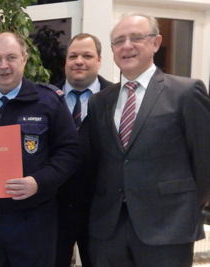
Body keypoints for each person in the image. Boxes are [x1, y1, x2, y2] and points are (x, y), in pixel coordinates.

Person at [87, 13, 210, 267]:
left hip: (167, 227)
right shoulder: (100, 101)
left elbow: (204, 160)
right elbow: (100, 161)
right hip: (109, 229)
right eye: (119, 40)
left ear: (155, 43)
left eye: (137, 38)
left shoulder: (185, 92)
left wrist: (185, 206)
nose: (127, 45)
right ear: (112, 50)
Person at [0, 32, 80, 267]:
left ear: (24, 58)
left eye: (11, 57)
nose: (3, 66)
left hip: (33, 222)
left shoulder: (48, 101)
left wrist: (38, 181)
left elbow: (69, 151)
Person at [53, 33, 112, 267]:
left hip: (101, 211)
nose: (79, 61)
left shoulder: (117, 98)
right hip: (55, 210)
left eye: (87, 55)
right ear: (65, 61)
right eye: (73, 55)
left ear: (99, 60)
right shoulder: (46, 97)